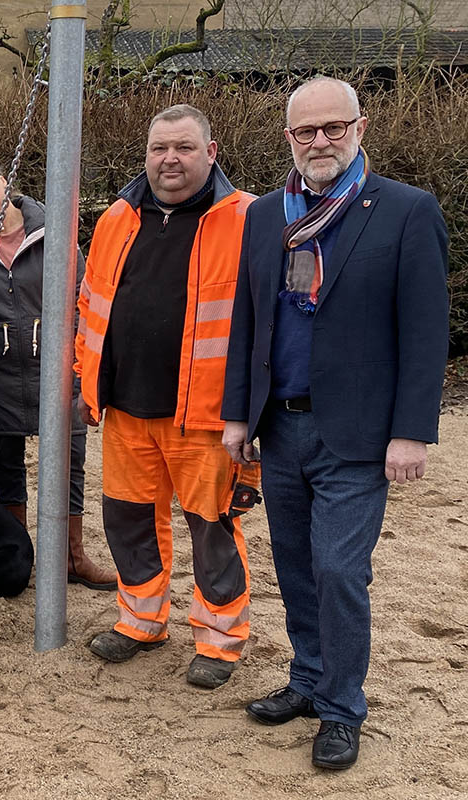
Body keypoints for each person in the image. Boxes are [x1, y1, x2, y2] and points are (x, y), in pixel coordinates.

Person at [222, 77, 449, 770]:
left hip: (358, 433)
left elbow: (425, 330)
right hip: (281, 428)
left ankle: (344, 707)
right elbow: (246, 321)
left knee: (339, 569)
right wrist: (237, 413)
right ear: (287, 137)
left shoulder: (407, 211)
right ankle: (309, 678)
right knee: (293, 564)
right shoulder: (266, 215)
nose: (319, 141)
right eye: (304, 131)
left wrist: (412, 430)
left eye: (332, 127)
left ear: (361, 127)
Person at [75, 104, 257, 689]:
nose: (169, 159)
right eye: (159, 148)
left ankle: (220, 640)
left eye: (182, 147)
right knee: (128, 521)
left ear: (212, 151)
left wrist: (249, 411)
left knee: (213, 527)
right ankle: (142, 620)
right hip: (126, 408)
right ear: (146, 154)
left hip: (206, 417)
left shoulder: (248, 219)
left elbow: (271, 322)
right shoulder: (117, 220)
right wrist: (86, 382)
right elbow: (89, 308)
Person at [0, 156, 115, 591]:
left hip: (55, 362)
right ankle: (17, 552)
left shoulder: (51, 226)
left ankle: (70, 556)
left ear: (3, 180)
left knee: (70, 456)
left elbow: (85, 292)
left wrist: (83, 355)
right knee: (7, 460)